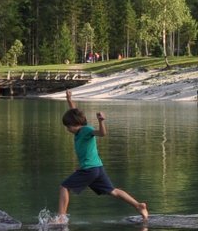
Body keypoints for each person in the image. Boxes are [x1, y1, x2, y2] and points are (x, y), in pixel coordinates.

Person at [55, 92, 147, 223]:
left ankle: (61, 218)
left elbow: (102, 133)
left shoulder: (86, 130)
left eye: (69, 127)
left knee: (64, 187)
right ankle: (139, 205)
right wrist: (69, 100)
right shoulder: (80, 129)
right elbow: (73, 112)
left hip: (89, 169)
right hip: (97, 168)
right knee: (113, 191)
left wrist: (101, 121)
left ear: (76, 124)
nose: (68, 129)